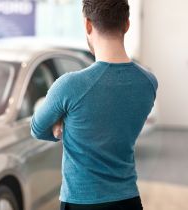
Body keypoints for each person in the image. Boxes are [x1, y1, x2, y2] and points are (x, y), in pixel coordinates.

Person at [30, 0, 158, 210]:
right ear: (126, 24)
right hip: (129, 201)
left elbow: (37, 129)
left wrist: (64, 123)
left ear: (88, 25)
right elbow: (118, 123)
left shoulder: (70, 85)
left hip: (81, 202)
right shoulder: (149, 82)